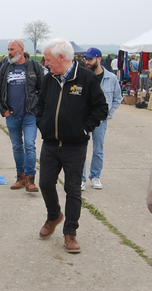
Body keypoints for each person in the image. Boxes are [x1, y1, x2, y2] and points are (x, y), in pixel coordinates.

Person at [35, 39, 108, 254]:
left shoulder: (86, 78)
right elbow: (40, 105)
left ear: (61, 57)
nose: (46, 64)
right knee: (45, 184)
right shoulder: (48, 79)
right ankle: (54, 216)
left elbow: (101, 108)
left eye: (48, 60)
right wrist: (42, 123)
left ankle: (70, 232)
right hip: (50, 143)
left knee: (73, 189)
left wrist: (83, 130)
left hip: (75, 146)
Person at [0, 39, 44, 192]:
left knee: (29, 145)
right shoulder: (6, 68)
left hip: (29, 115)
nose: (9, 52)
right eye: (8, 49)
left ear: (21, 50)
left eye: (12, 49)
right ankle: (20, 177)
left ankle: (30, 179)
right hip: (12, 115)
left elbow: (43, 90)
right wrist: (3, 110)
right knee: (17, 147)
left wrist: (37, 109)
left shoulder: (34, 66)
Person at [80, 48, 121, 191]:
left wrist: (109, 114)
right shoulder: (83, 76)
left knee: (98, 149)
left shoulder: (111, 78)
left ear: (99, 59)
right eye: (86, 59)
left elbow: (117, 98)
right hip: (84, 119)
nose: (87, 62)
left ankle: (95, 176)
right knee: (81, 148)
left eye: (90, 59)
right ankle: (81, 178)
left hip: (100, 120)